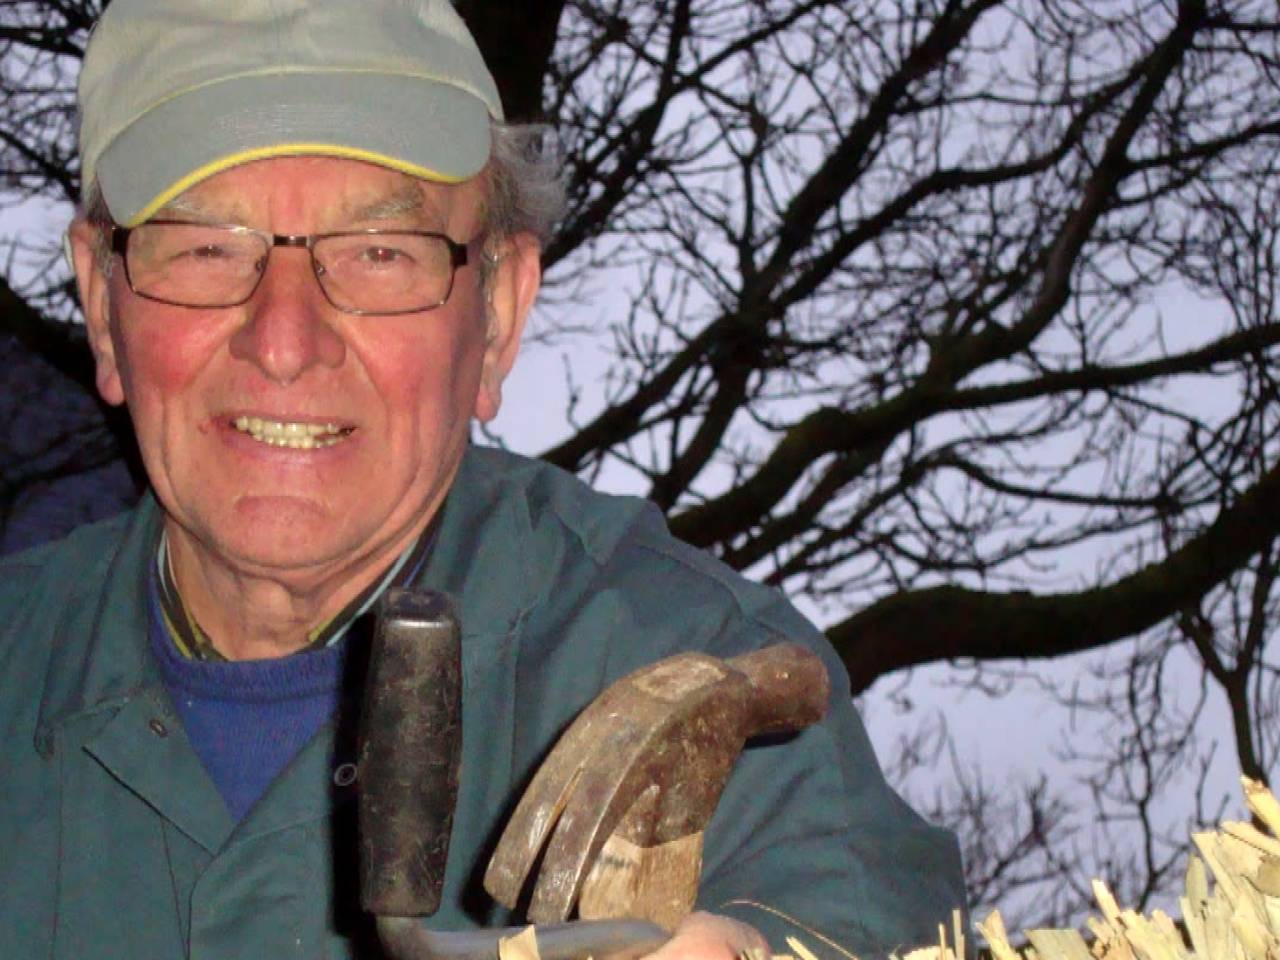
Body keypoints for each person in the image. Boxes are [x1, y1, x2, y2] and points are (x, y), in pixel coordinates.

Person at [0, 1, 966, 957]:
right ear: (99, 301)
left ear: (499, 313)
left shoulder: (695, 668)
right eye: (207, 248)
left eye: (381, 253)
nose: (283, 342)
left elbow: (866, 915)